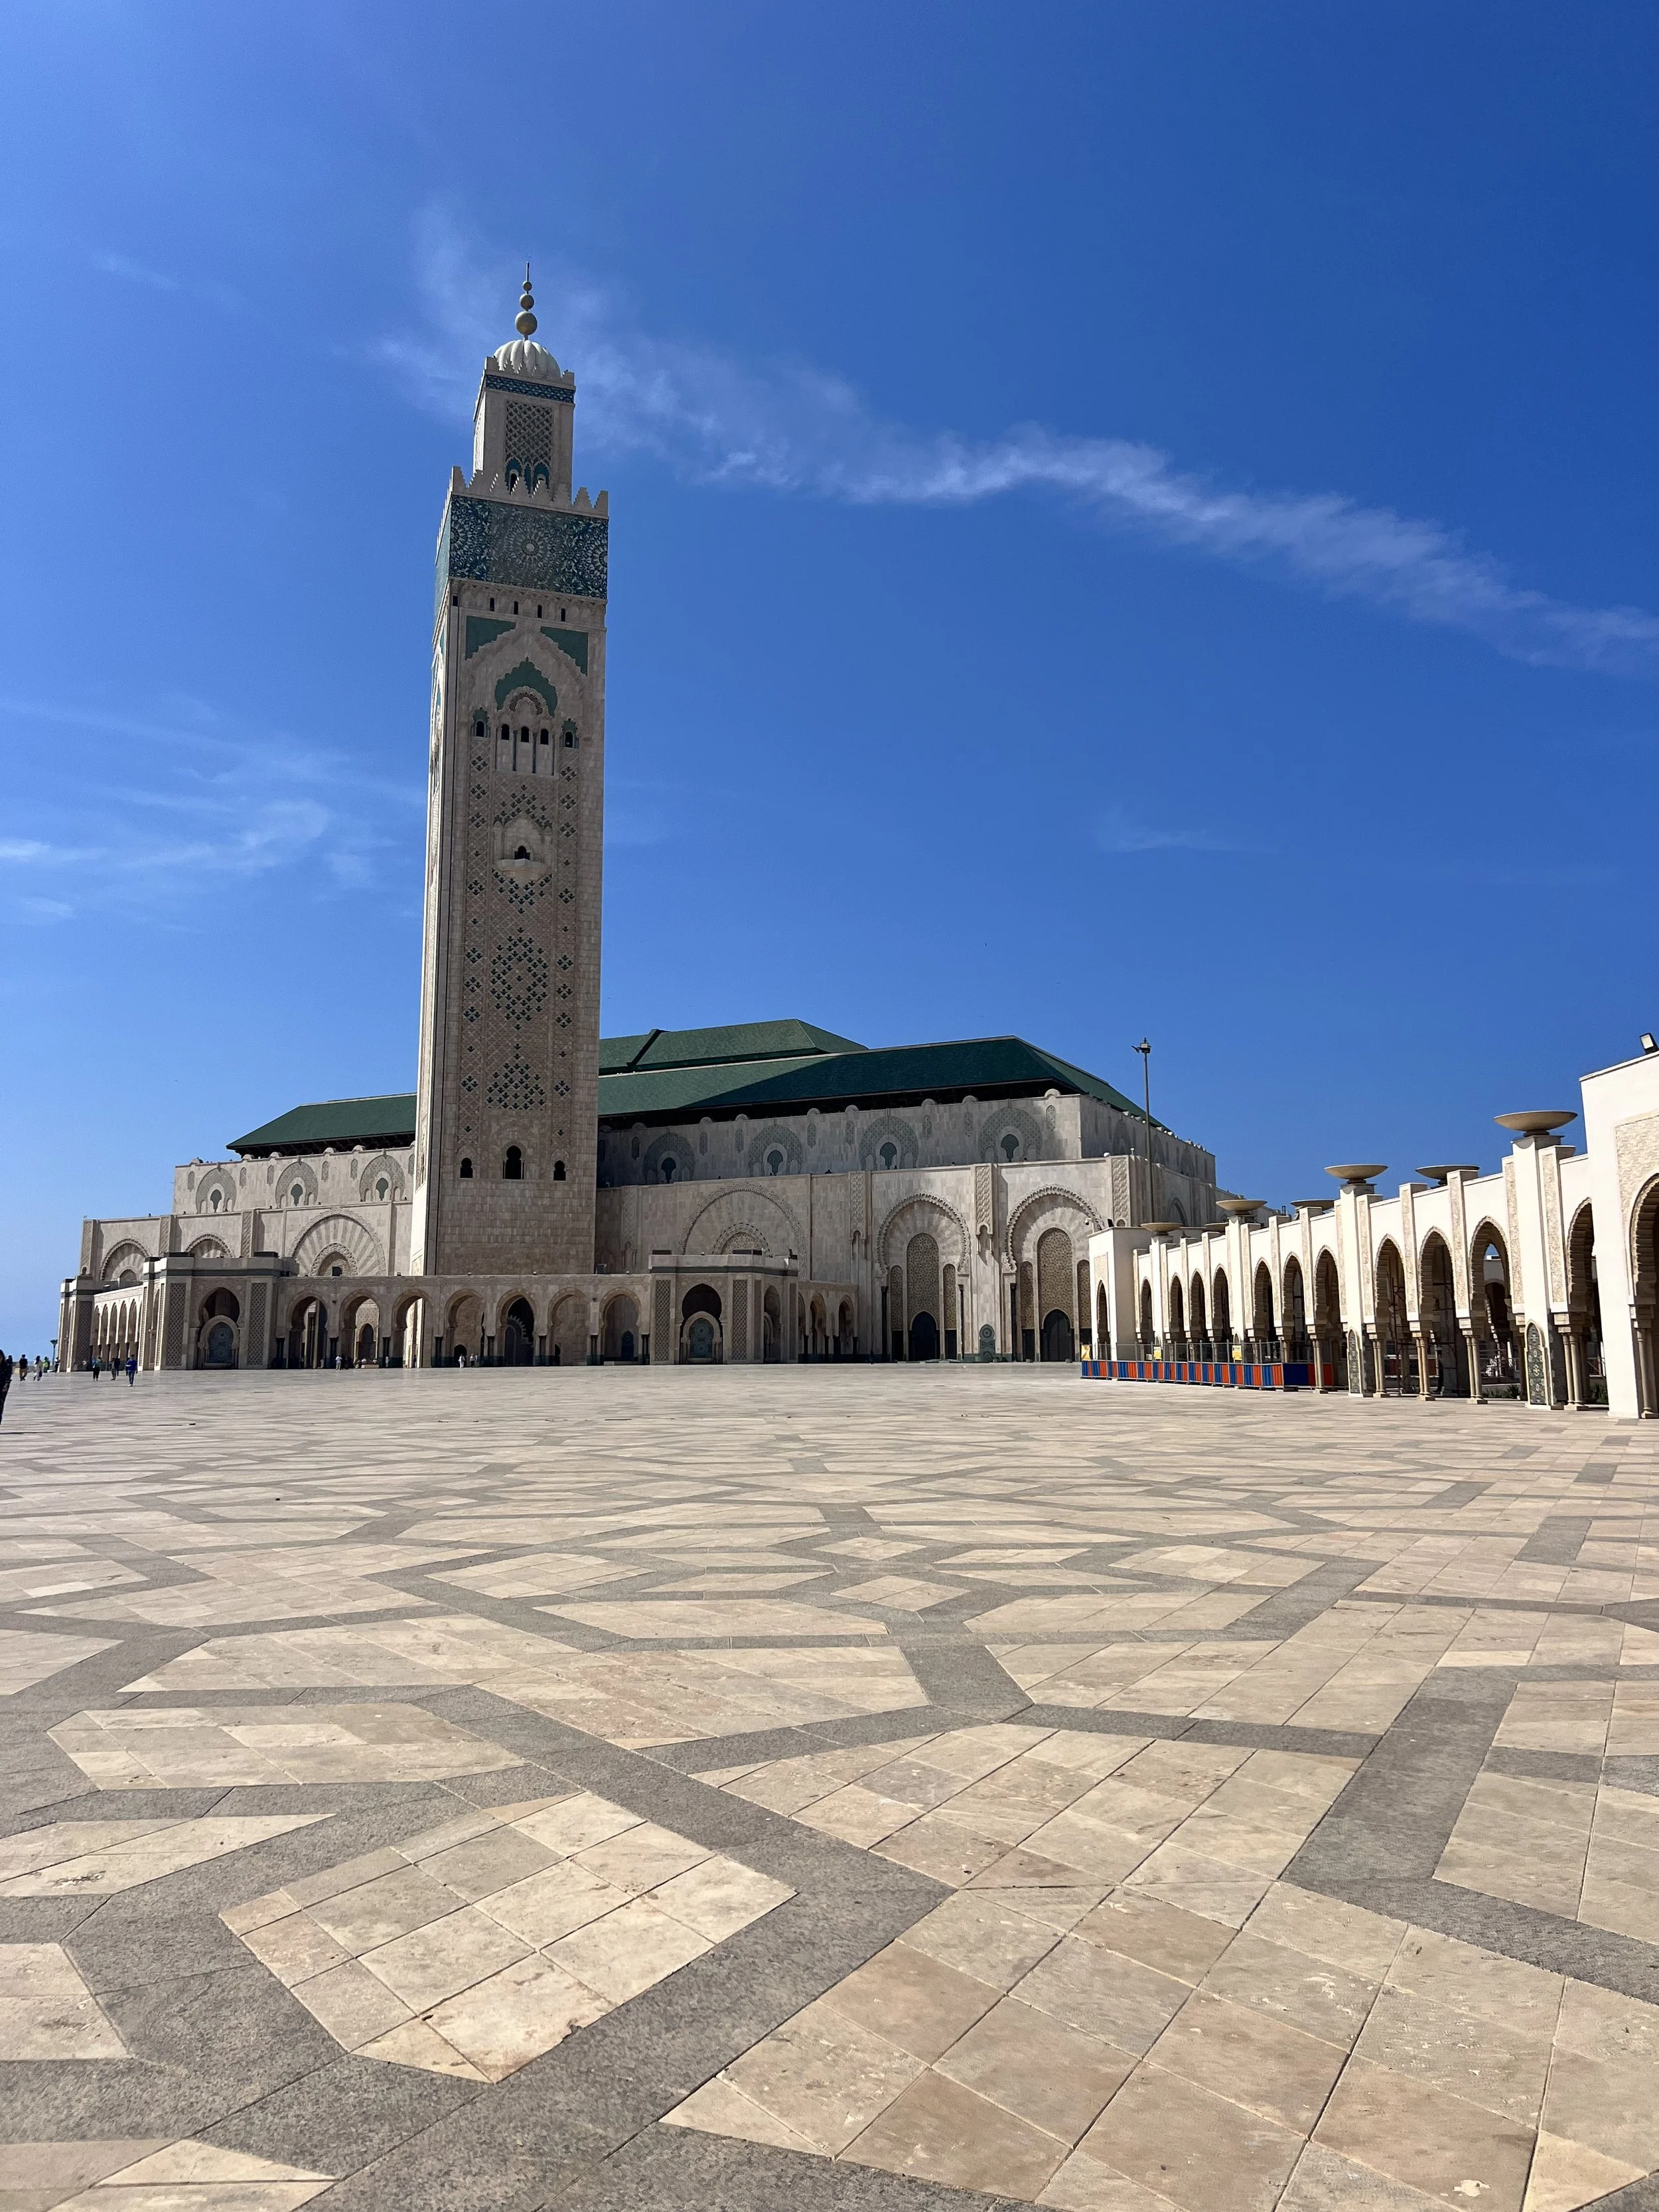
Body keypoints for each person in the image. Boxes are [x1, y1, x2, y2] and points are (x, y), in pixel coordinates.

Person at [0, 1348, 12, 1426]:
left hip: (2, 1389)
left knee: (0, 1408)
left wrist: (6, 1386)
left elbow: (8, 1378)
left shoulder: (7, 1366)